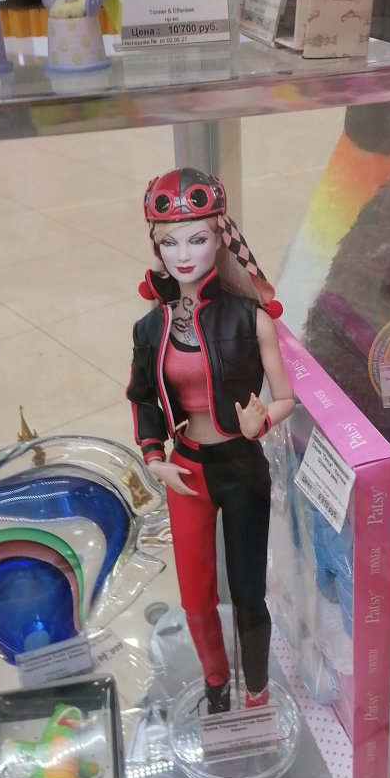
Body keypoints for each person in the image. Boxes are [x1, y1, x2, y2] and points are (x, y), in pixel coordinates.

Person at [126, 168, 295, 715]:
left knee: (249, 595)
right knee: (195, 597)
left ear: (221, 238)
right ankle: (216, 686)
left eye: (197, 239)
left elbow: (285, 397)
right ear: (156, 246)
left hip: (241, 464)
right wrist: (154, 458)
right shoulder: (149, 328)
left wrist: (259, 424)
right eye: (169, 242)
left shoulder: (251, 318)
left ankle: (257, 692)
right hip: (186, 470)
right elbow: (144, 399)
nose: (183, 254)